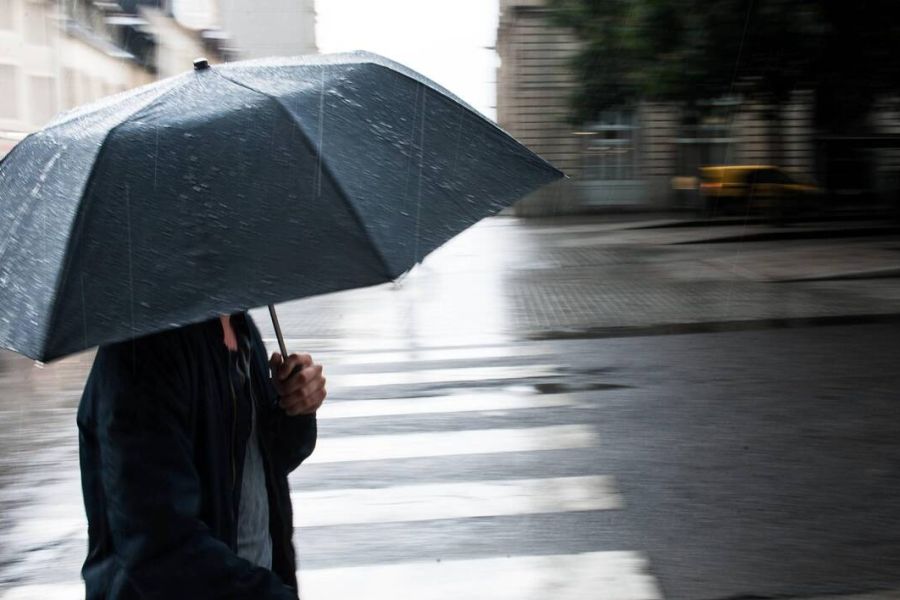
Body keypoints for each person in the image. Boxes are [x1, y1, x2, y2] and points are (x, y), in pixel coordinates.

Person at [76, 312, 325, 599]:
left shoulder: (241, 328)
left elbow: (259, 469)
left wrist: (296, 410)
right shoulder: (143, 351)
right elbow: (161, 546)